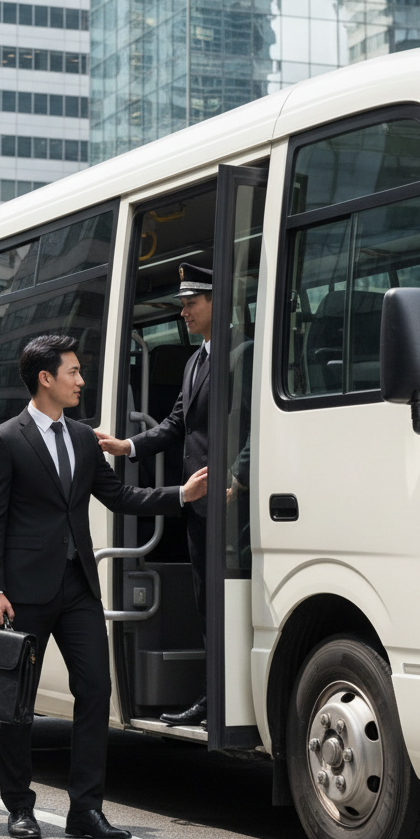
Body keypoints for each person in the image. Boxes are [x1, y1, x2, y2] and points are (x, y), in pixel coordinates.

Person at [0, 334, 206, 839]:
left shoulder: (83, 437)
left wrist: (180, 496)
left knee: (96, 690)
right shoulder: (5, 439)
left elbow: (119, 495)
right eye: (74, 372)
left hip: (78, 585)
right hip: (23, 591)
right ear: (46, 378)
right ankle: (19, 806)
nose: (81, 381)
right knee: (18, 701)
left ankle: (86, 810)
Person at [95, 263, 249, 727]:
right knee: (206, 604)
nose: (184, 311)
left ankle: (224, 700)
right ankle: (212, 697)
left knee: (227, 605)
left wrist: (237, 478)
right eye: (182, 304)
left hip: (232, 504)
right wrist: (129, 446)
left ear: (216, 302)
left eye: (191, 302)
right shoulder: (194, 360)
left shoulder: (243, 353)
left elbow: (255, 425)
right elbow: (176, 424)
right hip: (200, 502)